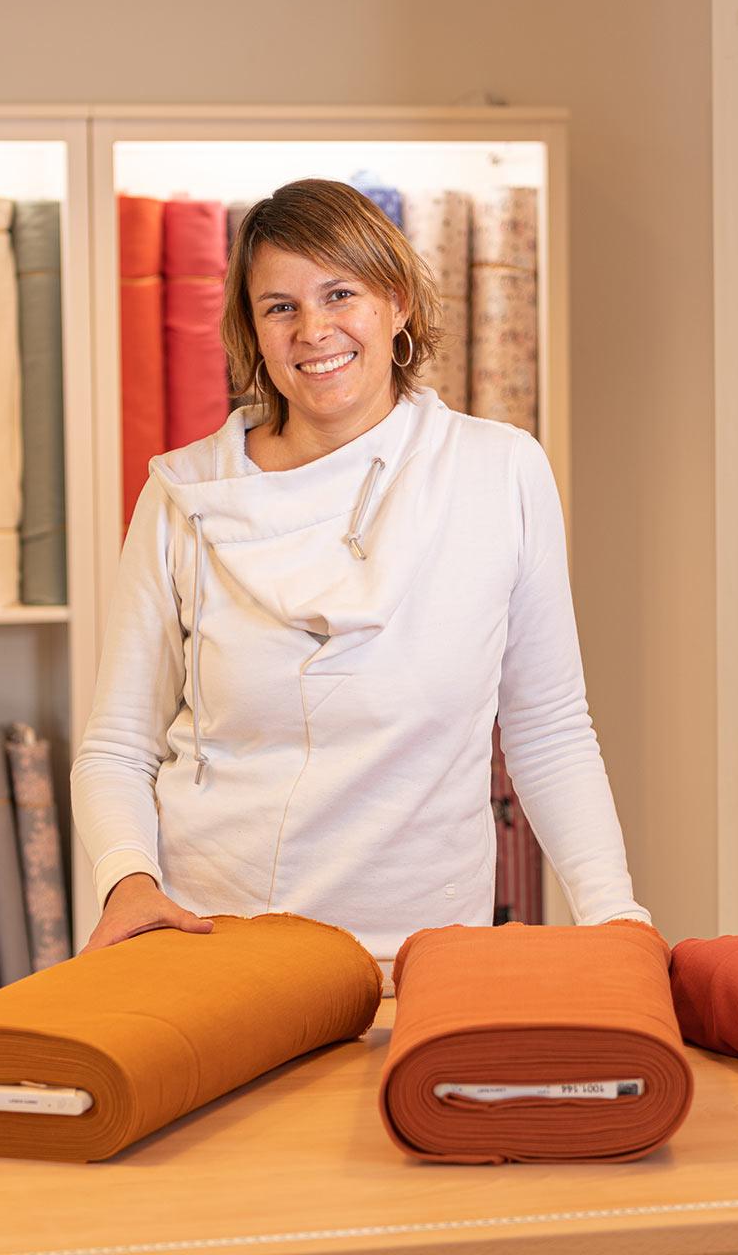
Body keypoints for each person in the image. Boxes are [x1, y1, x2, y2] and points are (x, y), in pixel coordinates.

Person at [71, 178, 649, 977]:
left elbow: (548, 729)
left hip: (425, 959)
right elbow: (116, 746)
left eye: (340, 293)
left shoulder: (498, 472)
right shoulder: (181, 494)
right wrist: (127, 883)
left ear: (397, 302)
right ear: (254, 332)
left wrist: (615, 914)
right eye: (280, 307)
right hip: (217, 951)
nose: (314, 330)